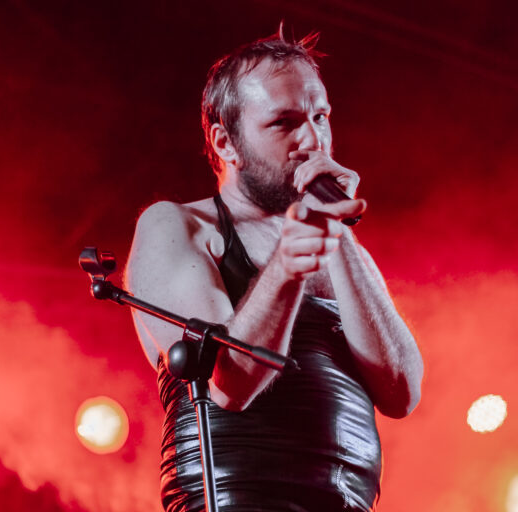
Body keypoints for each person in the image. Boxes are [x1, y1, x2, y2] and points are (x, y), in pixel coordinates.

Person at [124, 27, 424, 512]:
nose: (313, 140)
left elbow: (401, 393)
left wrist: (335, 228)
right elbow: (231, 385)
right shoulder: (176, 226)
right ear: (226, 142)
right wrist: (287, 264)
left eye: (320, 116)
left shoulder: (338, 244)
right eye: (284, 123)